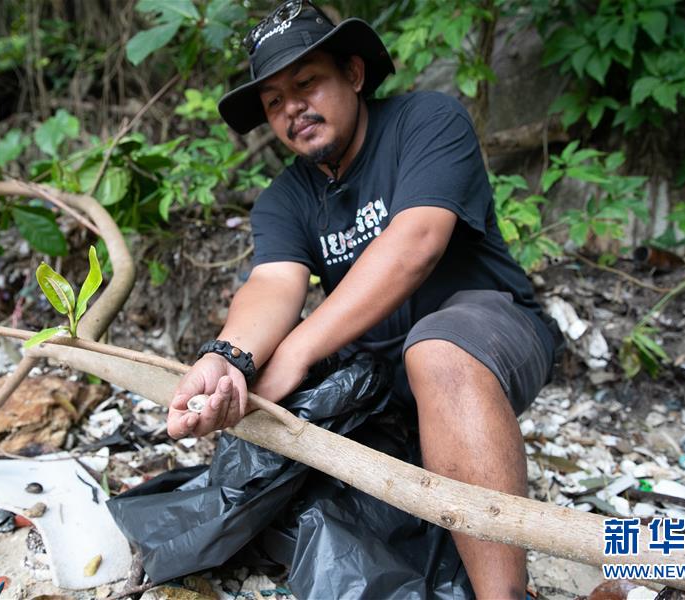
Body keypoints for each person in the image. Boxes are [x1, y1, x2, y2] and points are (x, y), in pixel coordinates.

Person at [167, 2, 562, 597]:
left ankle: (501, 595)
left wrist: (296, 349)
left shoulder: (427, 121)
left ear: (353, 74)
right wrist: (227, 359)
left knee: (435, 351)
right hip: (382, 377)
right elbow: (273, 284)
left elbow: (416, 242)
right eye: (274, 102)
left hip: (490, 334)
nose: (292, 109)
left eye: (307, 83)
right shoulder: (285, 198)